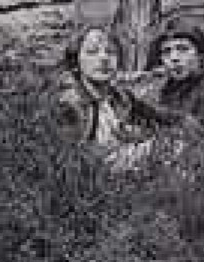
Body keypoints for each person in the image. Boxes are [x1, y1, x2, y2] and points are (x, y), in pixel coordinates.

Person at [56, 27, 173, 167]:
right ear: (76, 62)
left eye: (111, 52)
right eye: (92, 52)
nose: (104, 58)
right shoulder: (69, 103)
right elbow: (76, 157)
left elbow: (159, 115)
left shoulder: (119, 96)